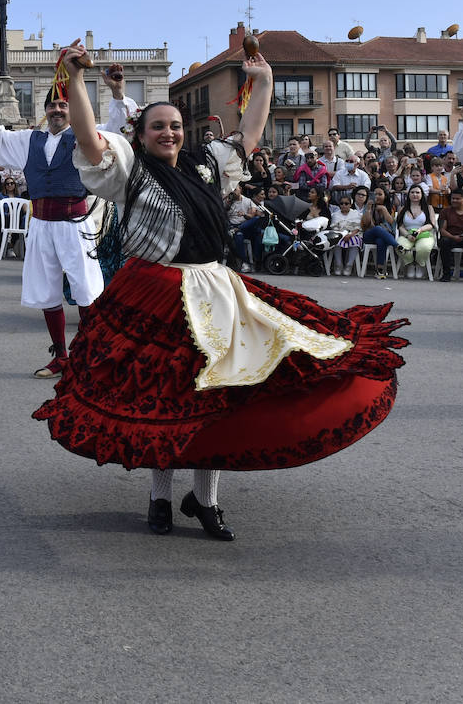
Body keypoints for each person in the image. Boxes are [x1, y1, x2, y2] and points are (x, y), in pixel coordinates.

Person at [33, 39, 407, 542]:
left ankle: (205, 501)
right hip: (155, 292)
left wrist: (266, 80)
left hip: (214, 287)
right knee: (167, 400)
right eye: (158, 126)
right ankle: (159, 498)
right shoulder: (129, 169)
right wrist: (77, 81)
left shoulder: (207, 164)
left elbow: (250, 133)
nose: (169, 132)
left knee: (221, 394)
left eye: (175, 126)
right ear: (141, 135)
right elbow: (88, 137)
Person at [0, 69, 110, 379]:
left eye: (62, 105)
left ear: (72, 110)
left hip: (75, 223)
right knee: (46, 291)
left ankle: (87, 356)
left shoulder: (86, 137)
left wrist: (117, 92)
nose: (57, 110)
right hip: (42, 223)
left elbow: (117, 129)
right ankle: (60, 356)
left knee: (86, 289)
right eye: (52, 106)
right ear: (44, 111)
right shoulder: (30, 139)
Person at [394, 184, 436, 279]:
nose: (415, 194)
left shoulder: (428, 208)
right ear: (408, 195)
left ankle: (420, 264)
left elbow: (432, 224)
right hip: (407, 235)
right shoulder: (402, 208)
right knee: (399, 247)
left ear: (422, 194)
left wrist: (420, 230)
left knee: (424, 247)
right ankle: (410, 264)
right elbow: (400, 226)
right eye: (412, 192)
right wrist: (408, 235)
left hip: (424, 234)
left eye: (417, 192)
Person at [360, 187, 399, 279]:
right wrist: (369, 209)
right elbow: (366, 223)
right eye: (375, 194)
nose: (377, 196)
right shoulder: (367, 205)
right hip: (369, 235)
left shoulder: (390, 207)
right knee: (377, 228)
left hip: (385, 236)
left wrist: (384, 210)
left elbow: (392, 223)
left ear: (385, 196)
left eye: (380, 194)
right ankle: (396, 246)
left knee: (381, 241)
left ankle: (379, 270)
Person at [437, 189, 463, 279]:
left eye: (457, 199)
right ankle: (446, 274)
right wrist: (454, 237)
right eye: (453, 198)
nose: (454, 201)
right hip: (450, 237)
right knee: (444, 242)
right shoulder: (445, 211)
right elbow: (442, 230)